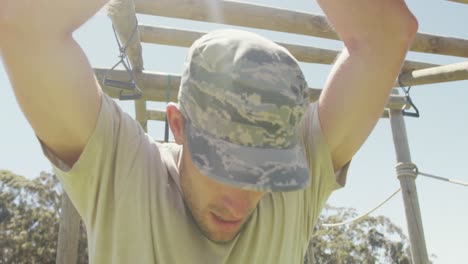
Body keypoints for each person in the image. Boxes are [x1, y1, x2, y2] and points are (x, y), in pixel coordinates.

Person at [0, 0, 418, 263]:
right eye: (224, 163)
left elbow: (386, 36)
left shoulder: (298, 183)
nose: (241, 198)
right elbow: (23, 23)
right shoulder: (122, 171)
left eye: (265, 172)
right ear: (178, 126)